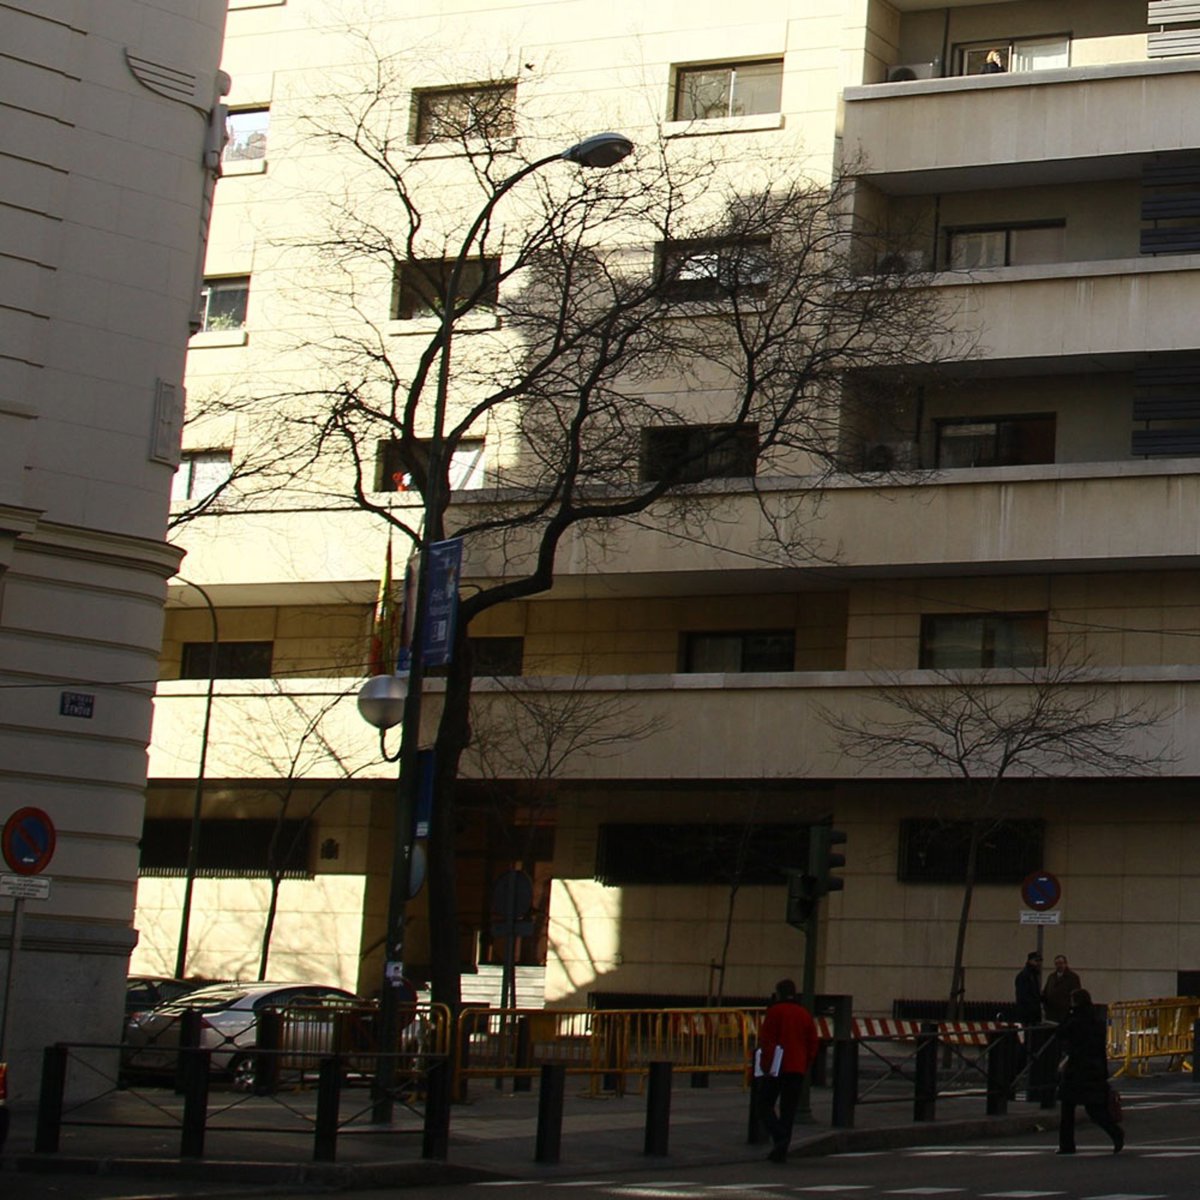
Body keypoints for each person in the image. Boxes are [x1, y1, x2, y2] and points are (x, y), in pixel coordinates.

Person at [755, 978, 819, 1163]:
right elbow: (812, 1042)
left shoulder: (775, 1012)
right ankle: (782, 1147)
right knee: (788, 1109)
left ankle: (779, 1136)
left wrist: (765, 1066)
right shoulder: (804, 1014)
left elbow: (767, 1040)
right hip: (797, 1066)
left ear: (779, 994)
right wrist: (806, 1062)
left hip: (777, 1066)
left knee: (764, 1104)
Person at [1055, 988, 1124, 1154]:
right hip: (1094, 1069)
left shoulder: (1075, 1020)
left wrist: (1068, 1014)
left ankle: (1067, 1144)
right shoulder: (1095, 1020)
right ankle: (1115, 1132)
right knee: (1094, 1108)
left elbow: (1061, 1032)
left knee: (1068, 1107)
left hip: (1076, 1069)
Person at [1042, 954, 1083, 1024]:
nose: (1059, 966)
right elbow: (1046, 992)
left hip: (1064, 1012)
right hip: (1051, 1012)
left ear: (1065, 964)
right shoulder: (1051, 977)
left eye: (1061, 963)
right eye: (1057, 964)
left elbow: (1076, 994)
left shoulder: (1073, 977)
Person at [1014, 950, 1043, 1026]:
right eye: (1036, 961)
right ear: (1030, 961)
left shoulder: (1033, 975)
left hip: (1032, 1014)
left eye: (1039, 961)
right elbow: (1023, 996)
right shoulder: (1025, 976)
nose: (1038, 963)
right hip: (1027, 1015)